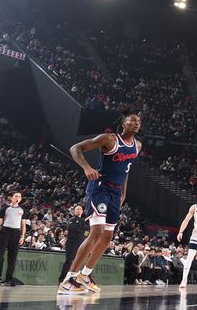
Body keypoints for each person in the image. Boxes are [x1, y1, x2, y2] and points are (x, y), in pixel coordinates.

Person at [58, 112, 142, 295]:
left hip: (115, 193)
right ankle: (68, 279)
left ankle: (85, 275)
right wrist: (87, 167)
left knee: (107, 237)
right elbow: (75, 148)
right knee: (96, 232)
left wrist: (124, 193)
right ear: (123, 123)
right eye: (132, 120)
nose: (136, 123)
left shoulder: (137, 145)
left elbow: (126, 169)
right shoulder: (109, 139)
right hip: (100, 188)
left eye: (138, 121)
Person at [0, 192, 26, 286]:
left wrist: (22, 236)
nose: (18, 198)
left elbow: (23, 225)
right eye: (16, 196)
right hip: (5, 231)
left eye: (19, 196)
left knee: (12, 257)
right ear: (12, 198)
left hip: (16, 233)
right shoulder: (5, 208)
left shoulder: (22, 210)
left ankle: (9, 278)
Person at [58, 205, 87, 283]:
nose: (79, 210)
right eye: (77, 209)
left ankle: (73, 279)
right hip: (71, 243)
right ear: (74, 211)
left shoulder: (84, 221)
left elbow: (87, 231)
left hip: (80, 244)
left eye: (80, 209)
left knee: (78, 262)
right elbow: (73, 228)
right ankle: (62, 279)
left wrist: (82, 230)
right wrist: (82, 230)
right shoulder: (71, 219)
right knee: (69, 261)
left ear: (82, 211)